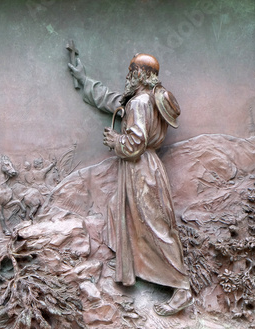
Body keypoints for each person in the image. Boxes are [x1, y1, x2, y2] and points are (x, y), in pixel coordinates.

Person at [68, 53, 192, 316]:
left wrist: (115, 140)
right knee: (135, 219)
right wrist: (83, 79)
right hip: (147, 168)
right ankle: (134, 270)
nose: (127, 75)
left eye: (130, 71)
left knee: (156, 226)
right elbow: (112, 101)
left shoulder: (139, 103)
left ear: (140, 74)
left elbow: (134, 144)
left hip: (139, 170)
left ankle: (181, 287)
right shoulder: (148, 99)